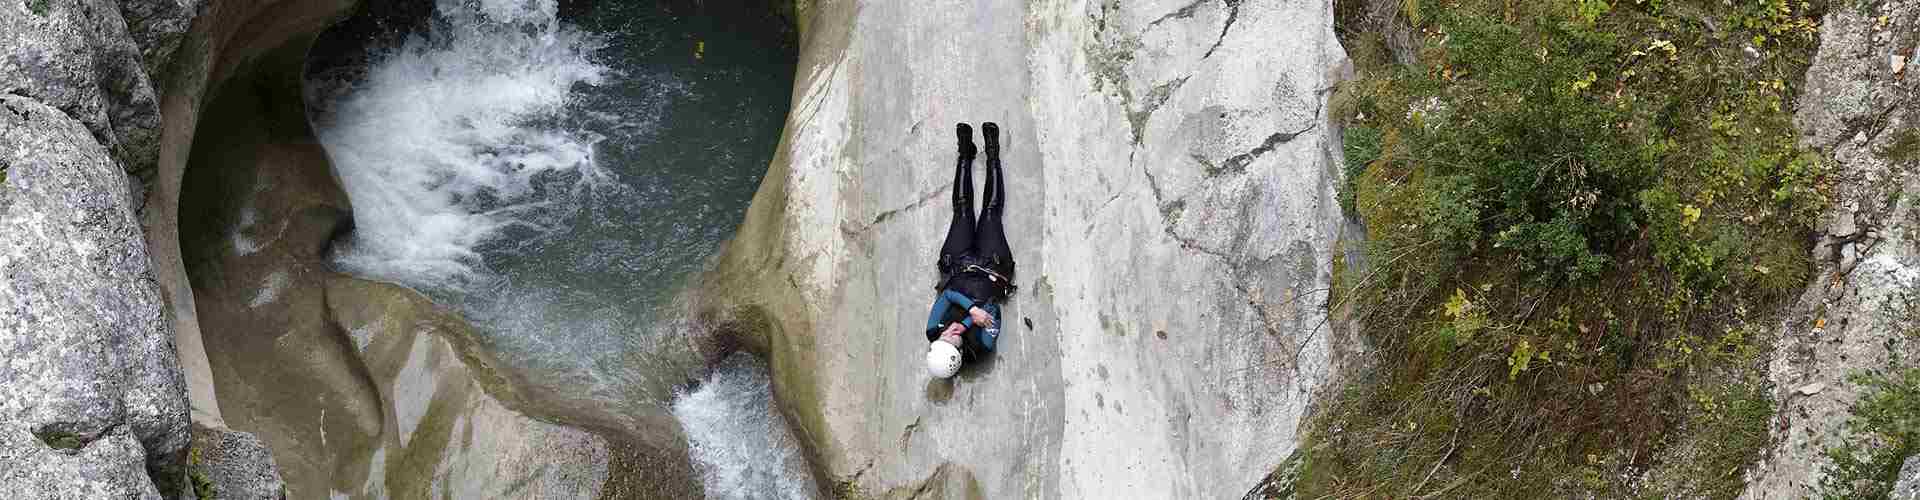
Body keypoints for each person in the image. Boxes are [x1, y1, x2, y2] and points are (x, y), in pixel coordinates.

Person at [924, 122, 1015, 379]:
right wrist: (968, 324)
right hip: (989, 268)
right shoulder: (982, 345)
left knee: (962, 211)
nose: (947, 334)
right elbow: (992, 309)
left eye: (942, 337)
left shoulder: (934, 330)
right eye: (951, 340)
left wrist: (971, 314)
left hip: (959, 265)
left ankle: (965, 154)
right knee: (990, 212)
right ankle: (993, 153)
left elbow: (949, 296)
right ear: (959, 354)